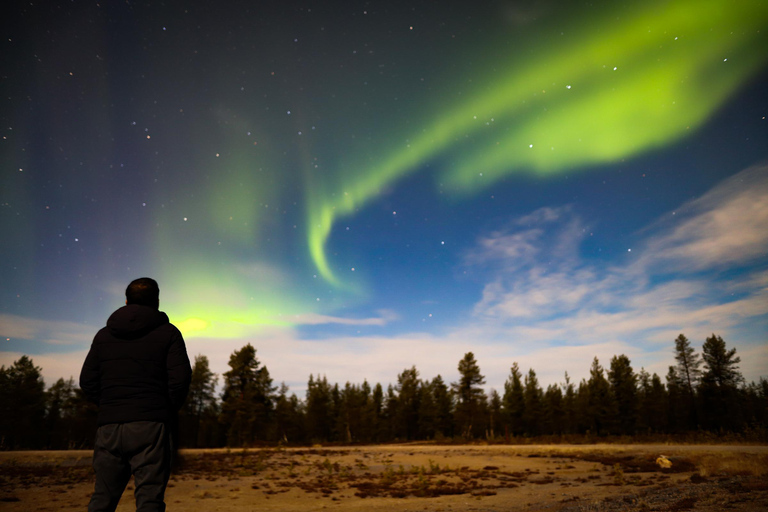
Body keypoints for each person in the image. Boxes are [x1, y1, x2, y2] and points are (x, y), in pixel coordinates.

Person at [80, 277, 191, 512]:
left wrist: (110, 405)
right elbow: (180, 380)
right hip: (151, 427)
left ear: (127, 300)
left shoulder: (103, 335)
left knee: (102, 499)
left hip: (109, 428)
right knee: (149, 501)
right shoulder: (169, 333)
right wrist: (162, 409)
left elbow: (87, 382)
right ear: (157, 302)